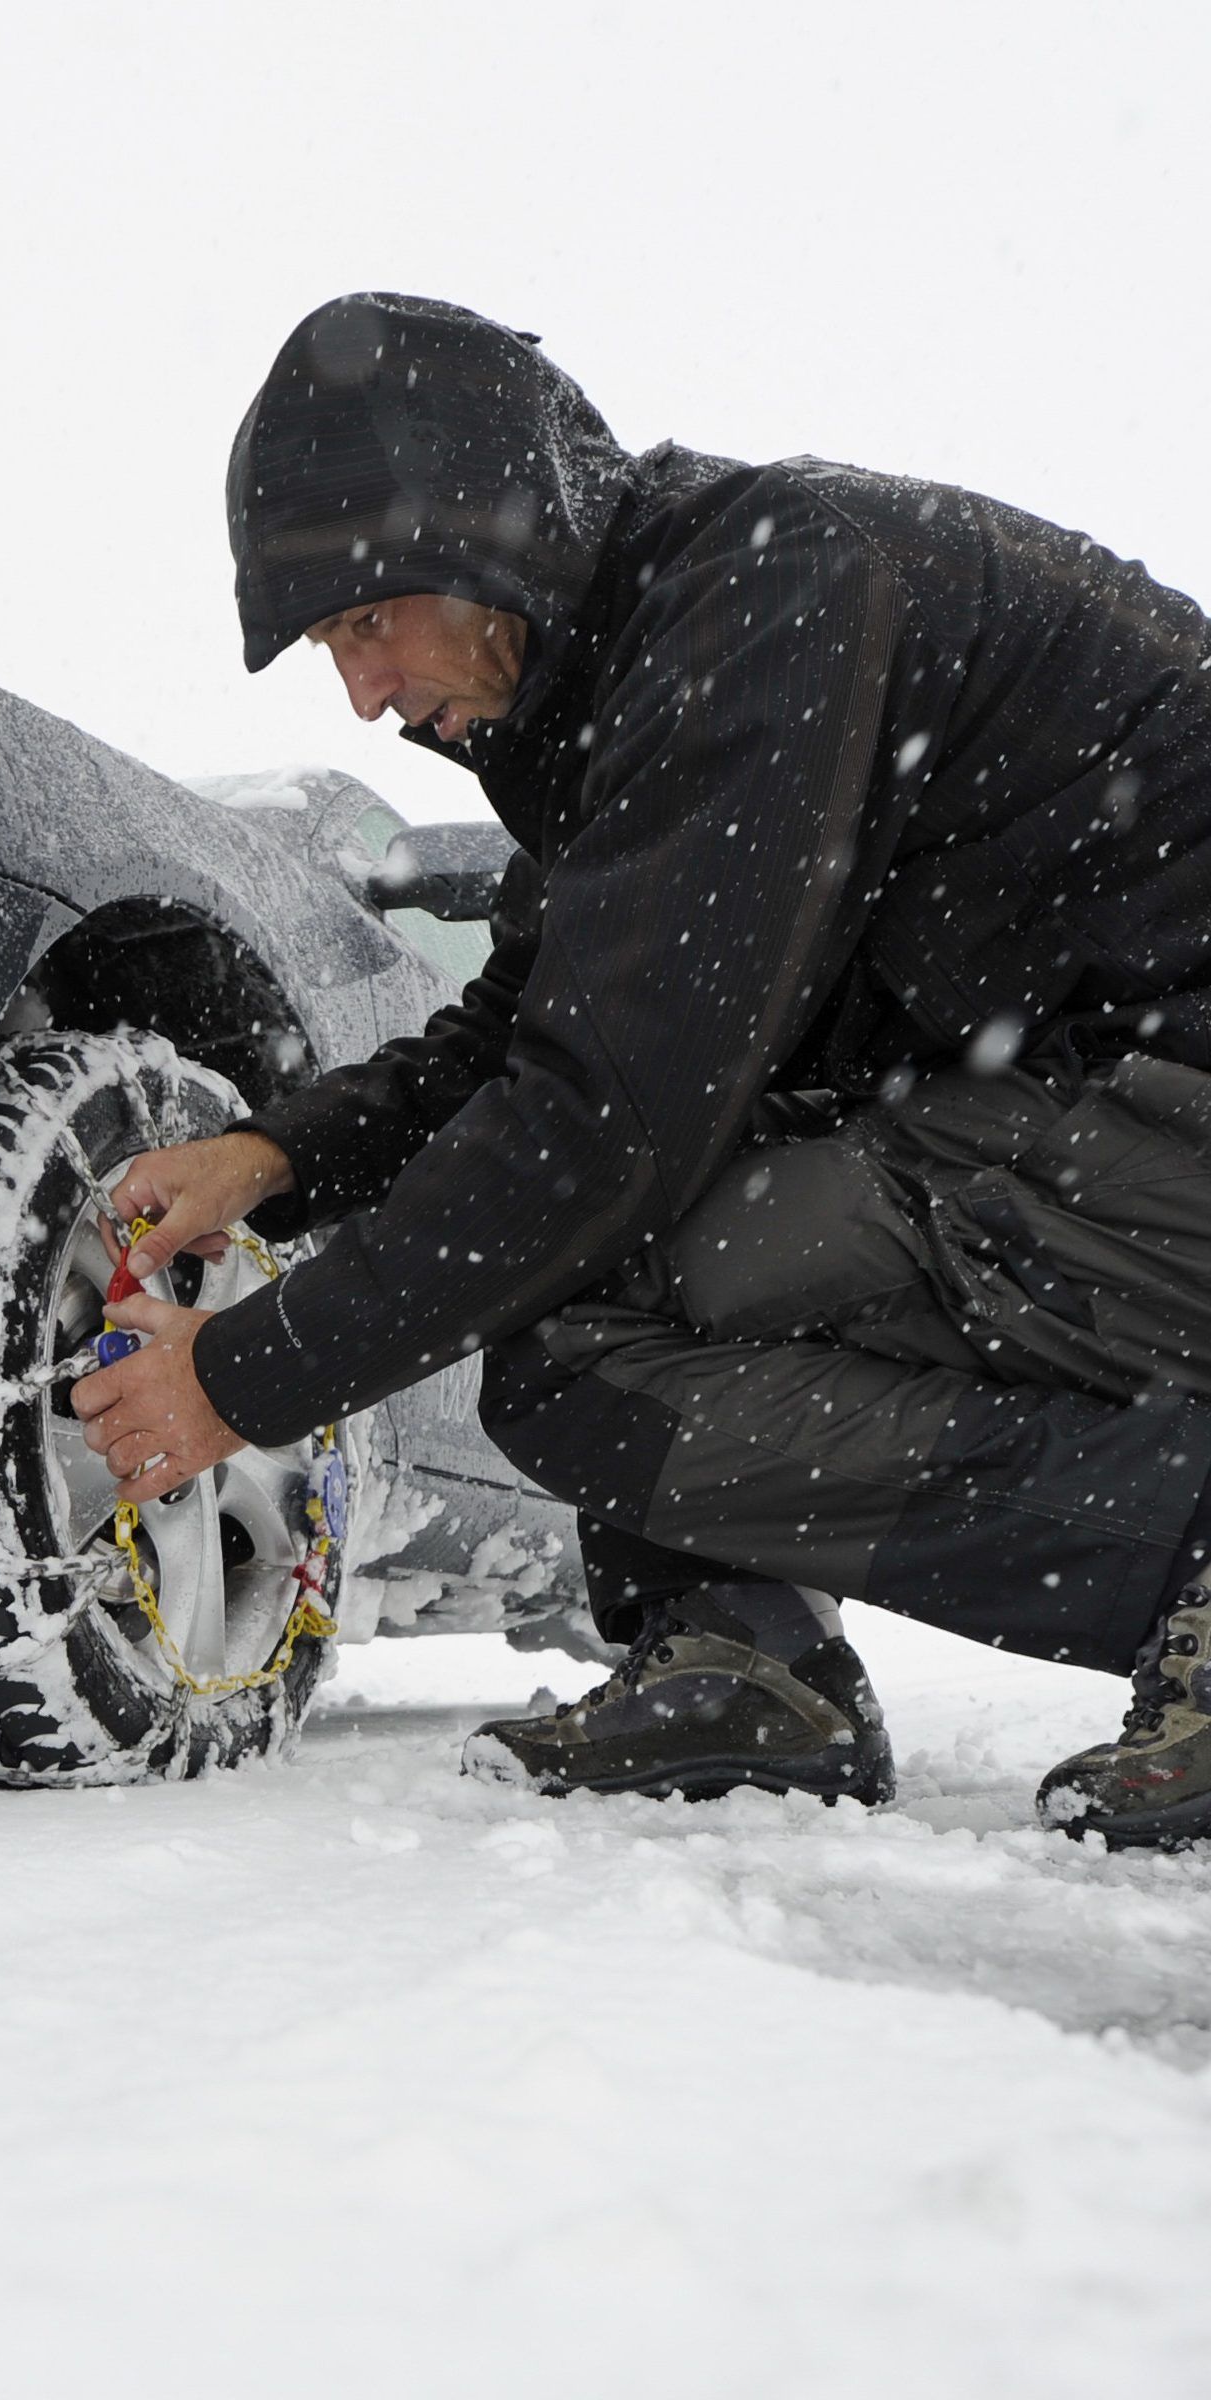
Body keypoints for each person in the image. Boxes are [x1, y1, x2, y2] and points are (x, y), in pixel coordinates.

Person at [69, 291, 1211, 1848]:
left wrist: (237, 1377)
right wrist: (275, 1159)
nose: (364, 694)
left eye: (362, 624)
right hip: (1105, 1132)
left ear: (487, 539)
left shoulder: (773, 606)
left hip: (1164, 1126)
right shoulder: (644, 673)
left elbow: (600, 1121)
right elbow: (523, 1034)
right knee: (587, 1310)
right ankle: (751, 1661)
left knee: (605, 1273)